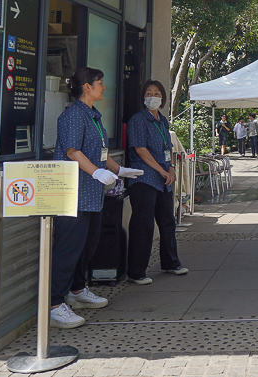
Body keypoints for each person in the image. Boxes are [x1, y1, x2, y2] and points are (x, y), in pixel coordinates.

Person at [49, 67, 142, 329]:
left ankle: (77, 290)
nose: (103, 87)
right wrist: (96, 172)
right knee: (68, 249)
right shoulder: (73, 115)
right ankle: (54, 304)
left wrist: (118, 169)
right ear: (87, 87)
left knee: (88, 245)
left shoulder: (93, 117)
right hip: (73, 194)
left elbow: (100, 152)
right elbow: (72, 151)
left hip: (92, 195)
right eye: (100, 83)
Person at [126, 79, 188, 285]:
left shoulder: (162, 121)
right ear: (144, 97)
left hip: (163, 177)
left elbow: (167, 148)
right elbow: (140, 150)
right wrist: (162, 170)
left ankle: (171, 262)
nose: (154, 97)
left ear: (163, 98)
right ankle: (137, 271)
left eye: (158, 94)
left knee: (167, 221)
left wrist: (170, 168)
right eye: (149, 93)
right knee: (143, 224)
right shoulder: (138, 120)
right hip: (145, 178)